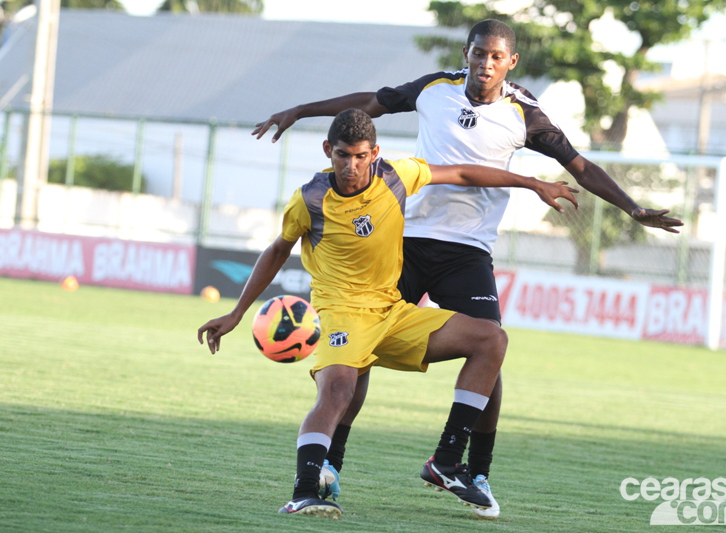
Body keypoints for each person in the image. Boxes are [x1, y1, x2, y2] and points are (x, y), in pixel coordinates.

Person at [251, 19, 683, 519]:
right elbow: (368, 104)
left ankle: (464, 467)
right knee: (358, 355)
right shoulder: (436, 89)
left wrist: (633, 208)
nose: (485, 64)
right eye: (479, 54)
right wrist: (302, 111)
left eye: (496, 57)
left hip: (468, 251)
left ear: (511, 62)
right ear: (467, 52)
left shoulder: (525, 115)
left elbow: (580, 166)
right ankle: (331, 467)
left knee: (489, 347)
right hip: (408, 240)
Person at [198, 109, 578, 519]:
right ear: (329, 151)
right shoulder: (309, 199)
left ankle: (447, 460)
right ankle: (305, 490)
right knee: (339, 394)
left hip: (393, 311)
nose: (351, 165)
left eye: (361, 156)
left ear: (374, 153)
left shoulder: (396, 175)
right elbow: (277, 249)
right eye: (342, 155)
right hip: (343, 314)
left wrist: (532, 182)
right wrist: (238, 312)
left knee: (491, 339)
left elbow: (464, 174)